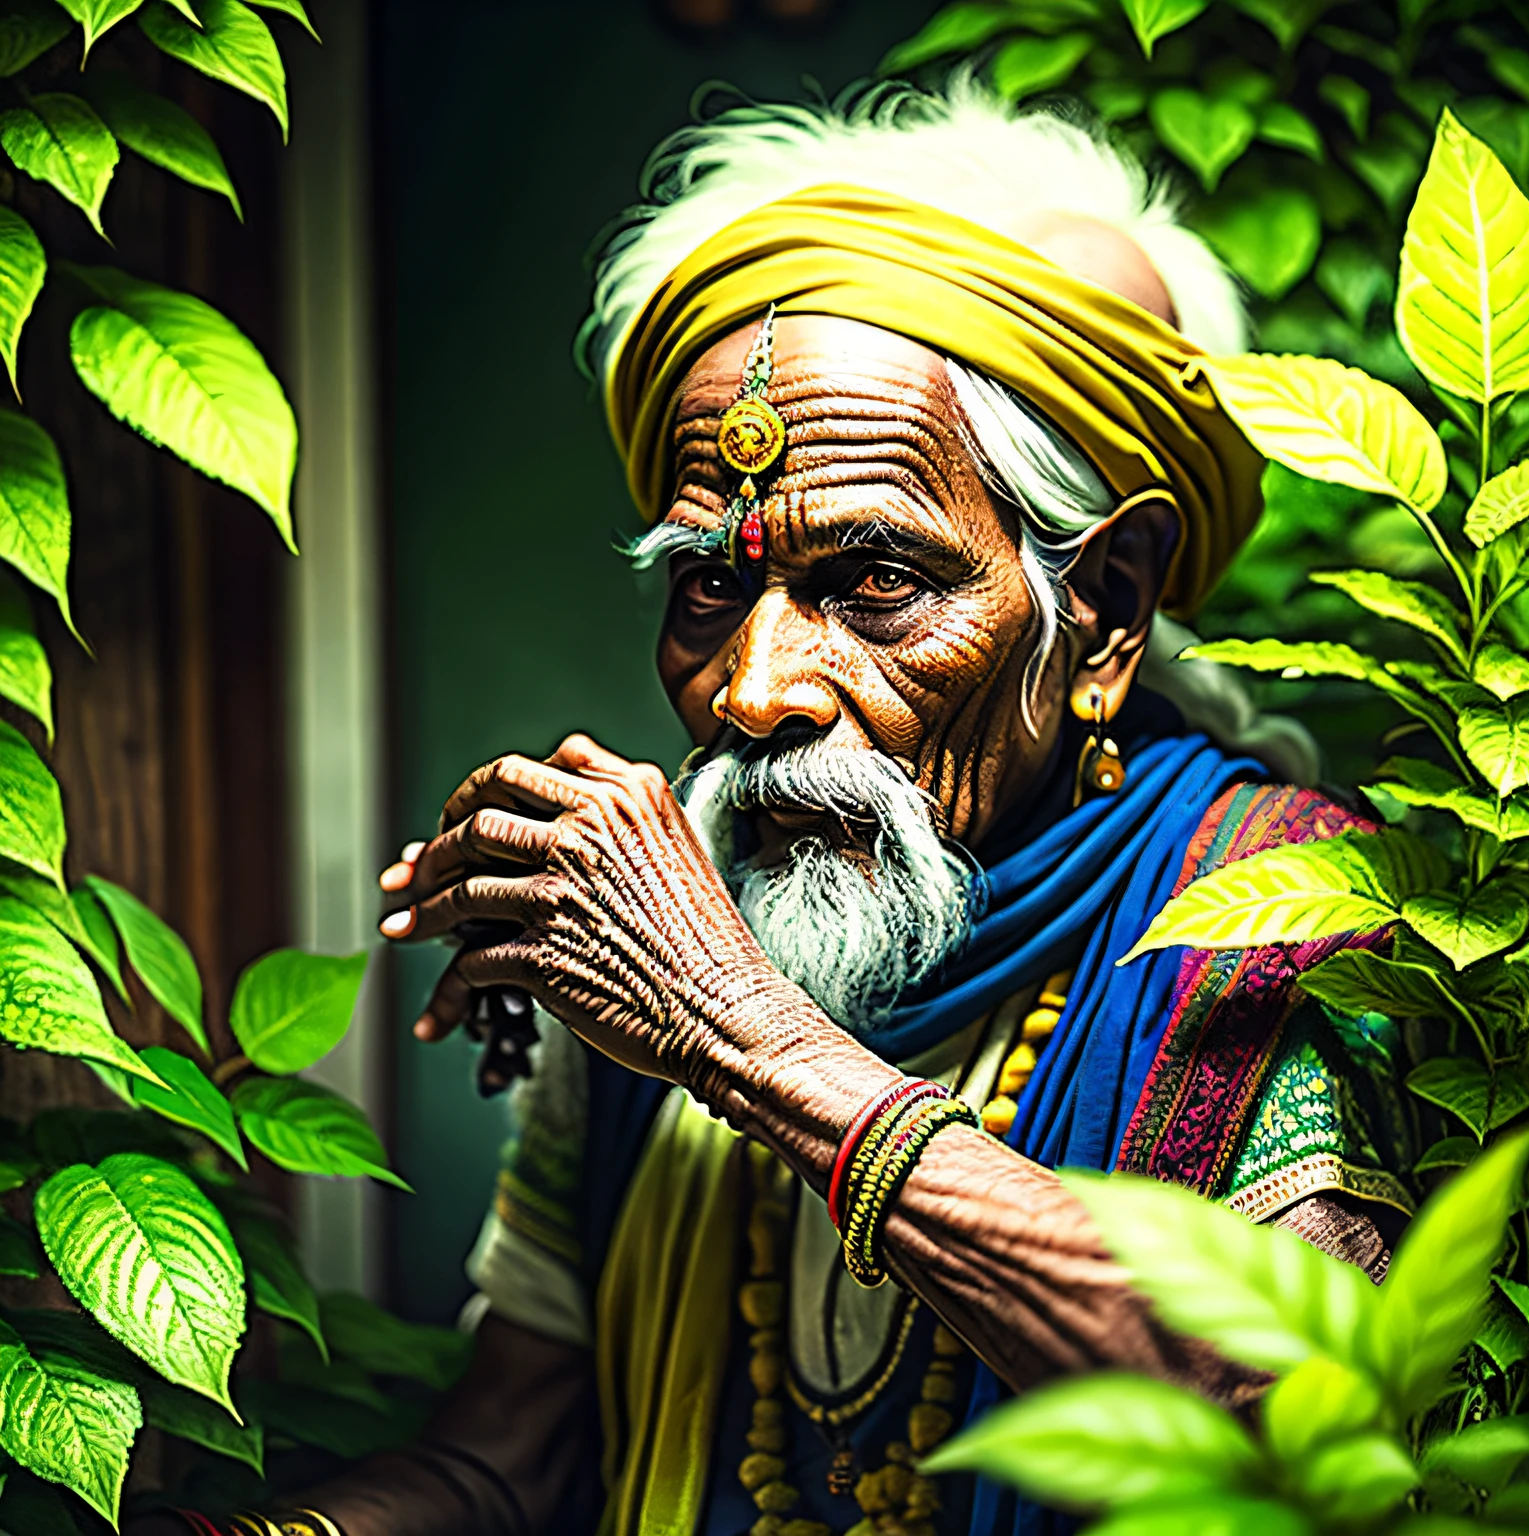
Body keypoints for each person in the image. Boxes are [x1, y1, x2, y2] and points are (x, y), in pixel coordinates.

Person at [171, 79, 1415, 1536]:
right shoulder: (668, 940)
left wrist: (747, 1039)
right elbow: (505, 1461)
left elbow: (1304, 1439)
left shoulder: (1282, 907)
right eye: (712, 583)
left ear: (1110, 608)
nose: (756, 688)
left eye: (876, 580)